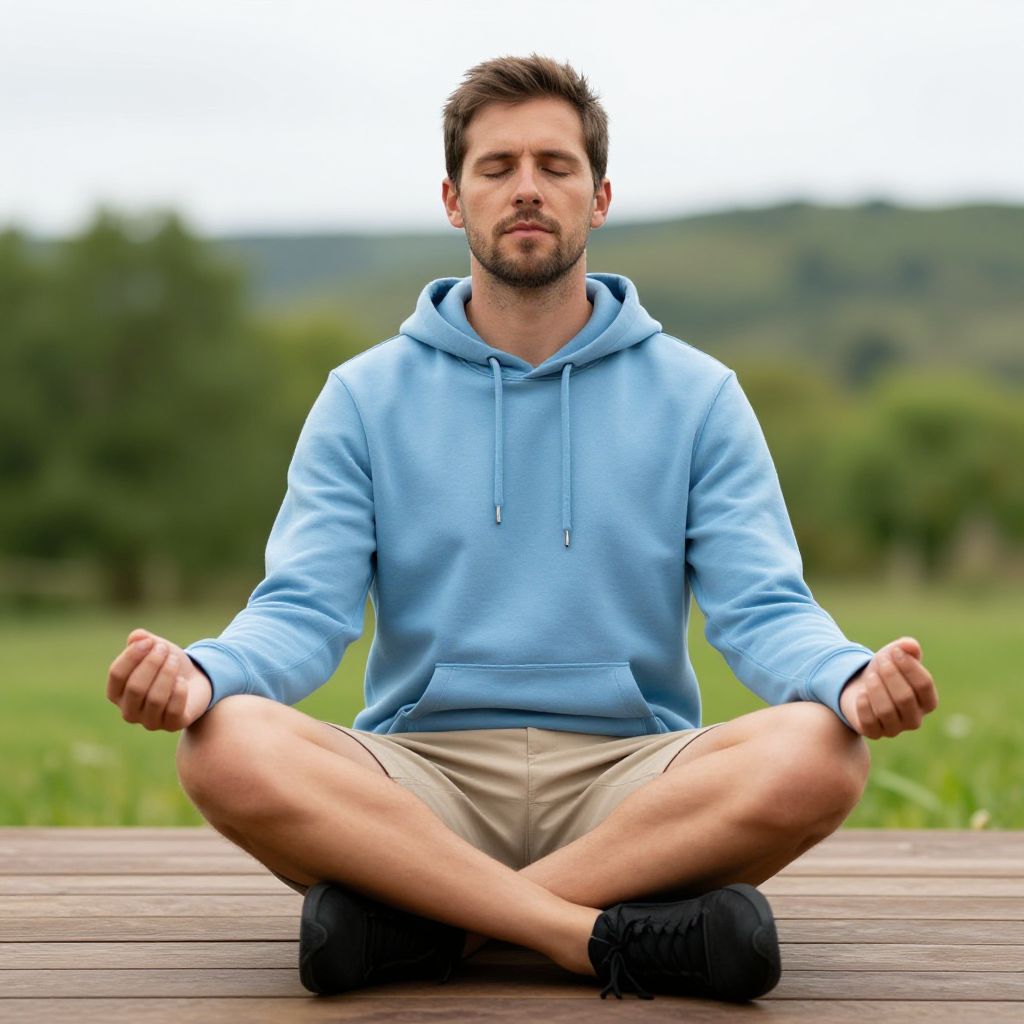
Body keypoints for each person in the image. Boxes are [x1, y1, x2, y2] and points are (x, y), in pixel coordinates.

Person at [106, 53, 939, 1003]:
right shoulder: (362, 396)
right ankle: (596, 936)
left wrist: (849, 675)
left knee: (824, 750)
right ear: (456, 200)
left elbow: (762, 608)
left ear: (601, 195)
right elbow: (303, 609)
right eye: (498, 168)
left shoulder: (700, 396)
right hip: (420, 779)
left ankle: (427, 931)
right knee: (223, 743)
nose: (529, 189)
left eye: (556, 164)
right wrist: (203, 673)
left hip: (635, 781)